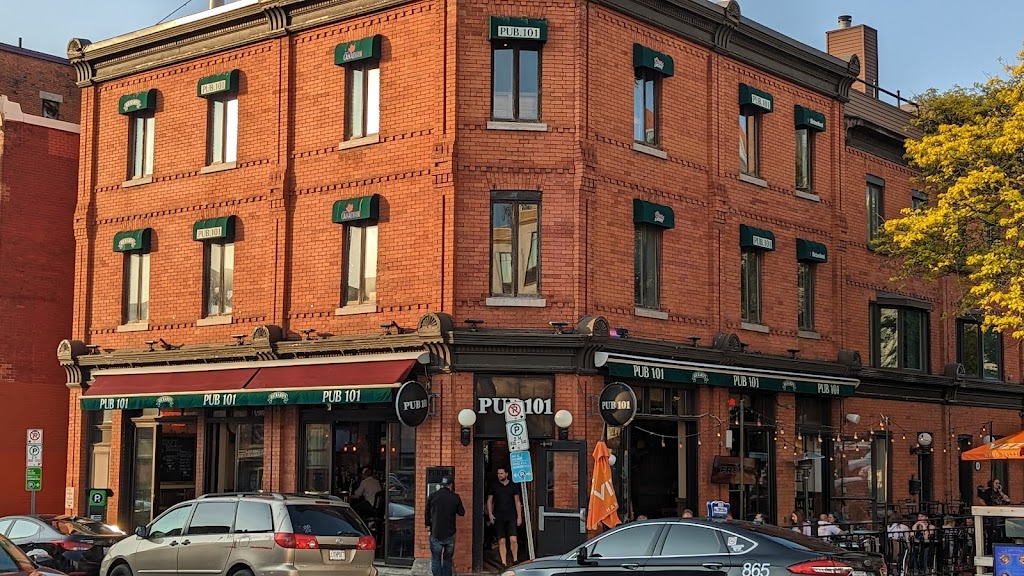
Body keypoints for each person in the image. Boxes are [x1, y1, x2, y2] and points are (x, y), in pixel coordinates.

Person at [426, 477, 465, 576]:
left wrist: (428, 526)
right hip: (450, 533)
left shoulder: (432, 496)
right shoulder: (455, 497)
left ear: (441, 485)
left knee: (436, 558)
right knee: (448, 559)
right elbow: (462, 513)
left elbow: (426, 513)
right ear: (451, 485)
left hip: (436, 531)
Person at [487, 467, 523, 567]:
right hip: (498, 516)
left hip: (511, 515)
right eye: (498, 473)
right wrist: (490, 514)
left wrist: (519, 516)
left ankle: (515, 560)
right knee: (501, 540)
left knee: (513, 539)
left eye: (501, 473)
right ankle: (504, 563)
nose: (499, 475)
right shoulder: (494, 486)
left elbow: (517, 501)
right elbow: (489, 501)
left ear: (506, 474)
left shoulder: (513, 485)